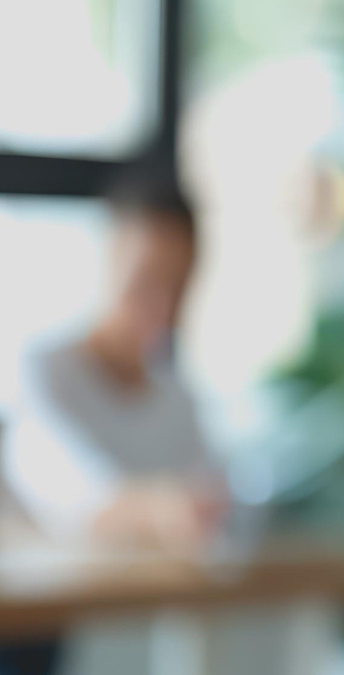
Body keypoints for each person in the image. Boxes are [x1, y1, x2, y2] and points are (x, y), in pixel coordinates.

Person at [3, 153, 228, 553]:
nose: (161, 305)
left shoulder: (178, 399)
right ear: (110, 255)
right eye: (147, 278)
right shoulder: (41, 372)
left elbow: (217, 507)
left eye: (178, 286)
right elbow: (76, 496)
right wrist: (165, 509)